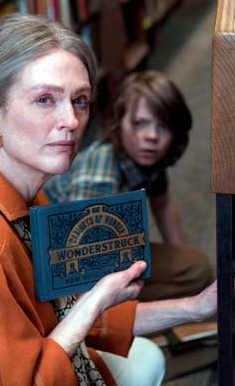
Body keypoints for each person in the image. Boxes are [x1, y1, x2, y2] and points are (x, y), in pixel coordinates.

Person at [0, 14, 235, 386]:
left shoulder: (21, 193)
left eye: (79, 100)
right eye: (44, 100)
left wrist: (195, 307)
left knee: (147, 358)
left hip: (40, 365)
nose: (71, 120)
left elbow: (64, 312)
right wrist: (93, 302)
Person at [43, 70, 213, 302]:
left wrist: (179, 253)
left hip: (114, 248)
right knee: (193, 274)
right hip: (66, 267)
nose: (152, 136)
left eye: (164, 126)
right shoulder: (99, 177)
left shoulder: (148, 158)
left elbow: (162, 204)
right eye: (140, 123)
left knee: (195, 269)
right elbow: (84, 262)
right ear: (118, 123)